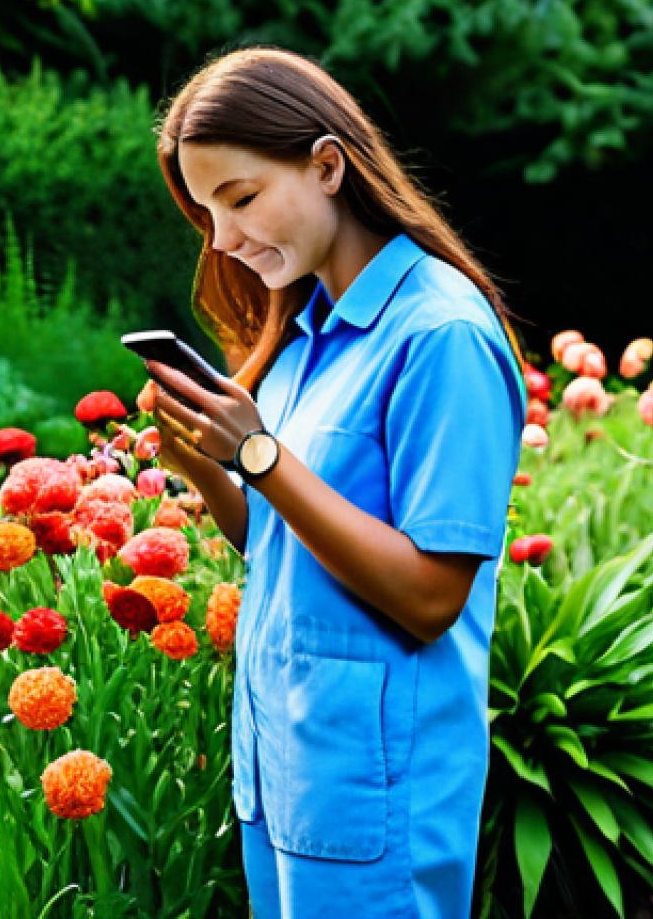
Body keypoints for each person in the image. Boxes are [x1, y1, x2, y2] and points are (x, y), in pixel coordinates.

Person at [144, 46, 527, 919]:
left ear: (326, 165)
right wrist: (209, 465)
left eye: (239, 199)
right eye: (207, 215)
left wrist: (262, 458)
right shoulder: (303, 340)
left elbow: (431, 597)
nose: (226, 240)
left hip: (379, 788)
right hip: (284, 770)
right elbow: (287, 543)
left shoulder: (440, 334)